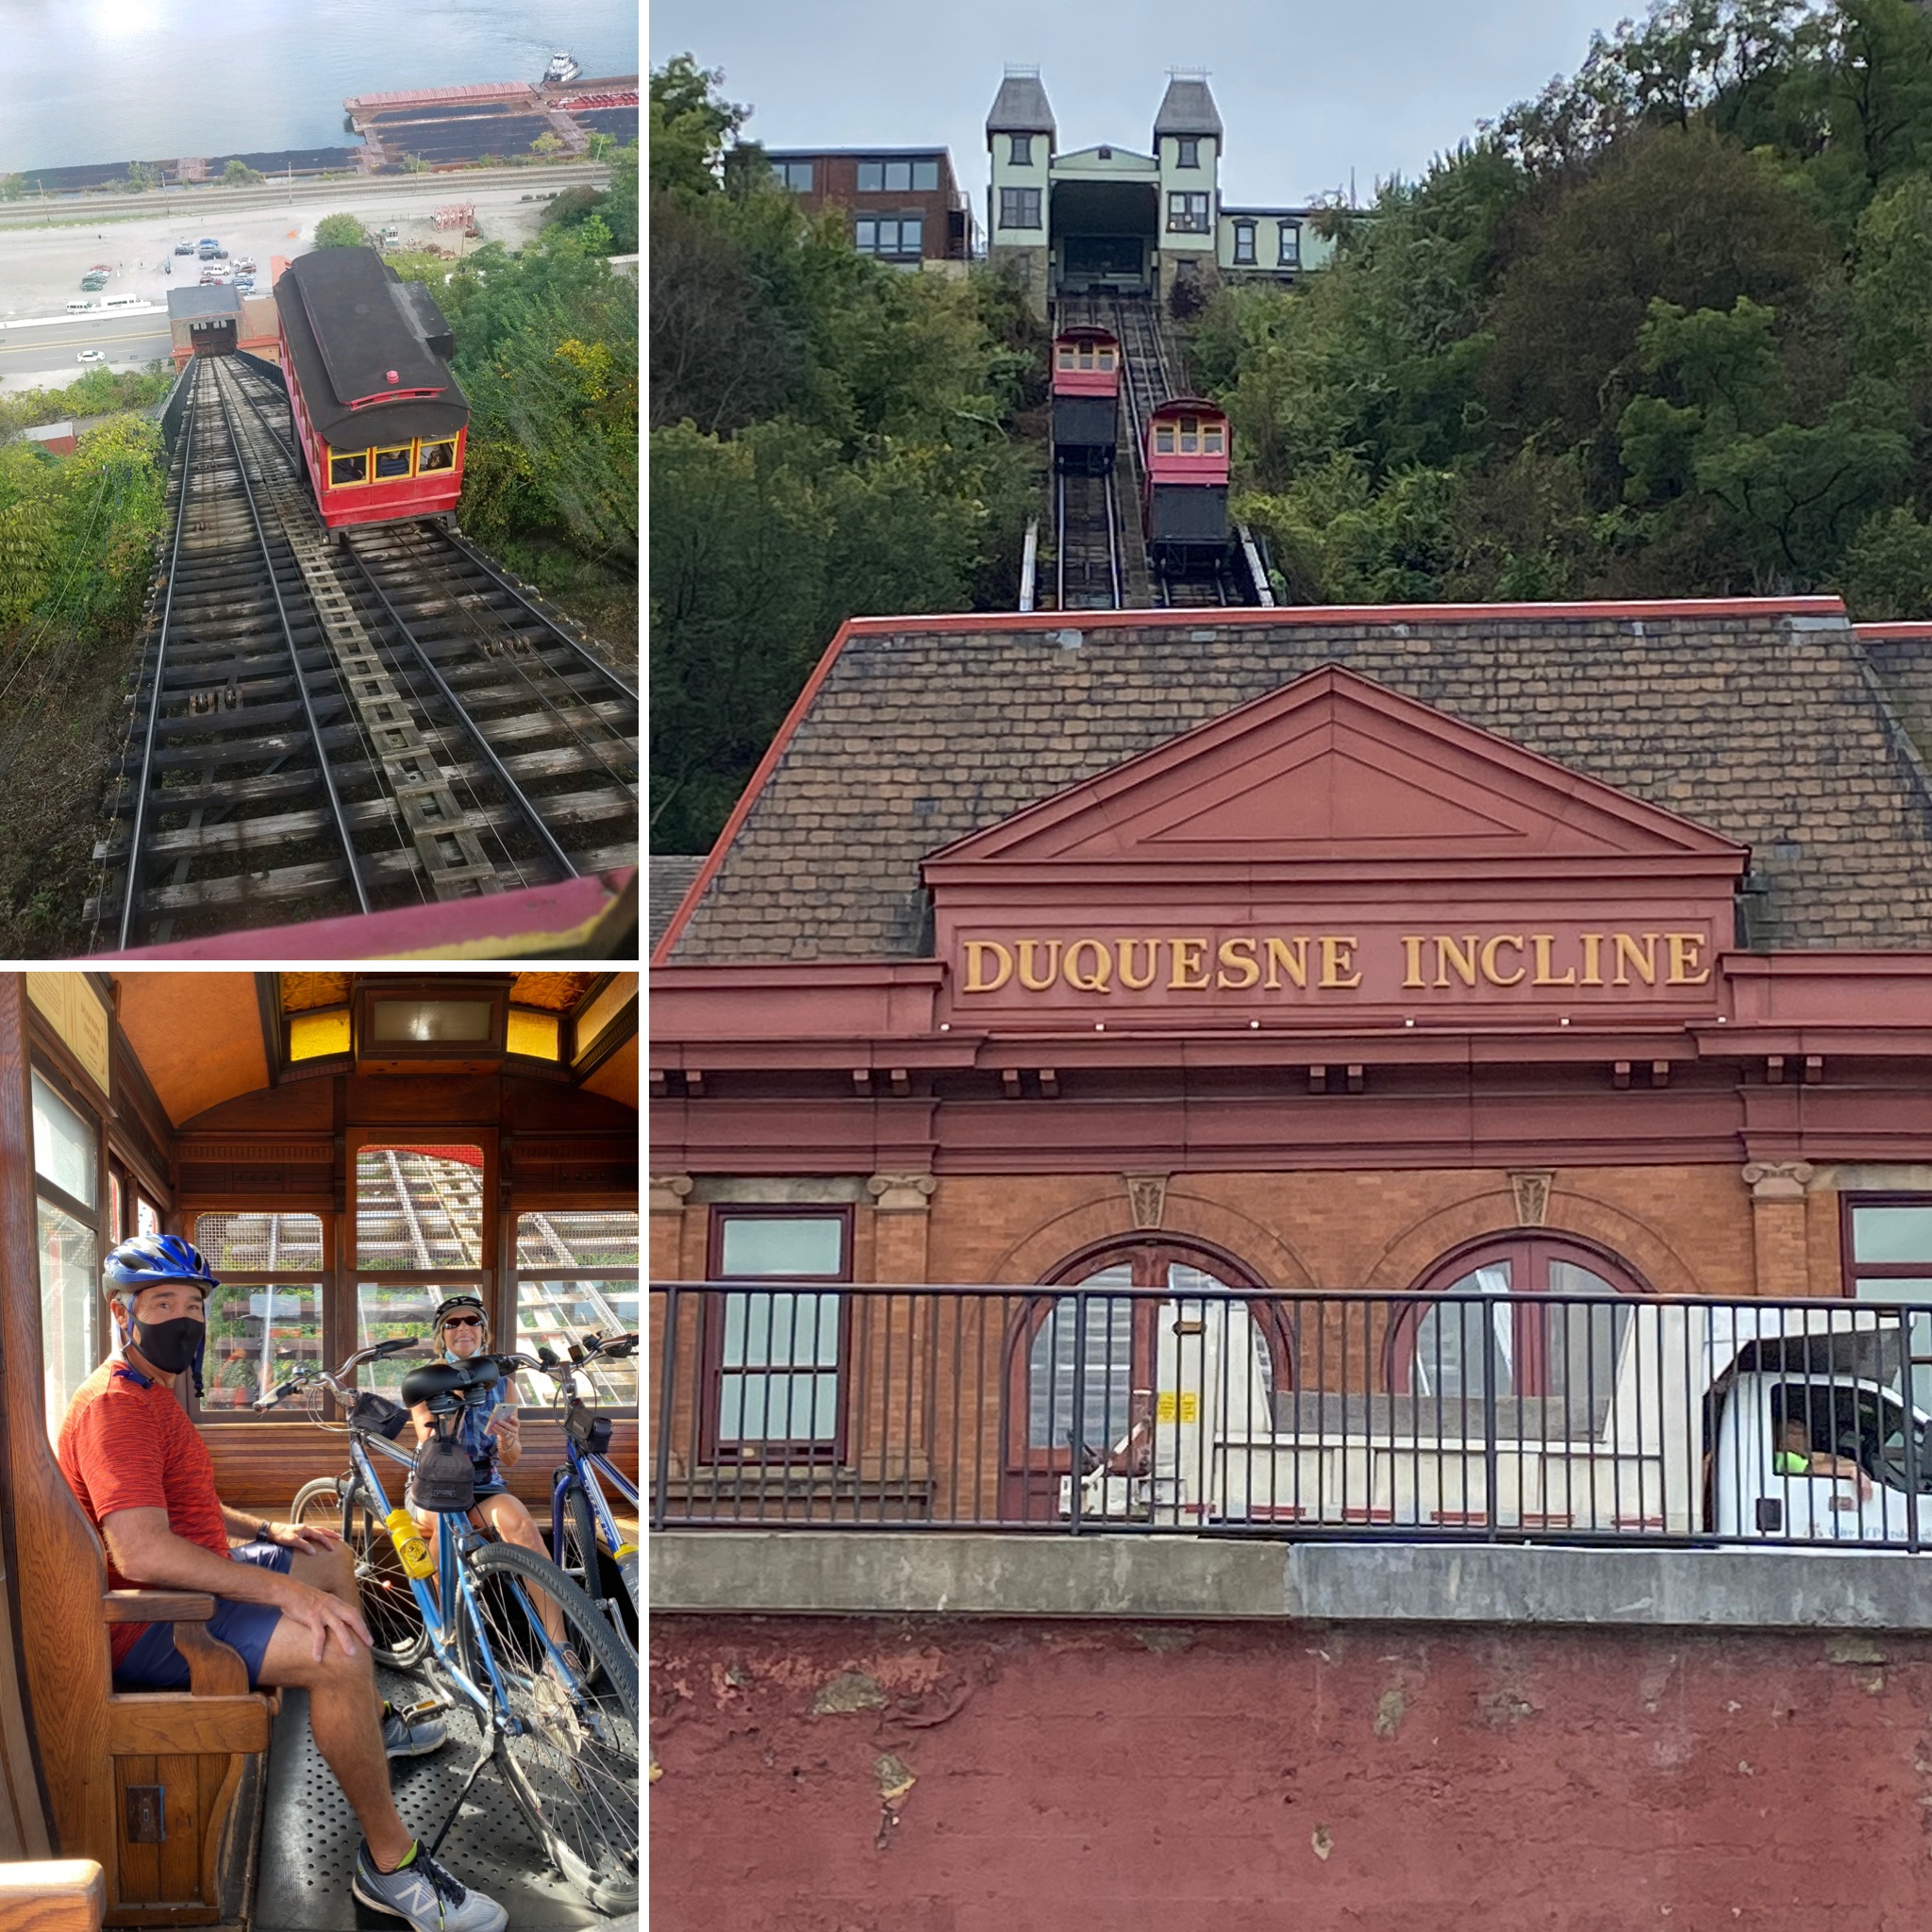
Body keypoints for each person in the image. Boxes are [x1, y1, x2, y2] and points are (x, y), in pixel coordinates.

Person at [57, 1235, 507, 1932]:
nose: (184, 1319)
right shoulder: (114, 1407)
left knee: (328, 1557)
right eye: (163, 1303)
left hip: (200, 1589)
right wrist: (279, 1591)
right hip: (154, 1620)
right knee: (341, 1653)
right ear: (124, 1312)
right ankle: (390, 1866)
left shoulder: (150, 1390)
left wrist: (268, 1535)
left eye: (194, 1305)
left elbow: (187, 1508)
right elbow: (141, 1552)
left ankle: (375, 1725)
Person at [406, 1293, 572, 1662]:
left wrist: (508, 1439)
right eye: (453, 1323)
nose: (463, 1328)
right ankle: (448, 1635)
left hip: (483, 1484)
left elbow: (510, 1460)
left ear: (484, 1331)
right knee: (449, 1531)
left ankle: (560, 1651)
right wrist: (460, 1399)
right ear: (441, 1335)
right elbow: (431, 1446)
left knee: (523, 1526)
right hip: (436, 1485)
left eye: (472, 1321)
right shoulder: (424, 1383)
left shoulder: (503, 1383)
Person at [1774, 1416, 1873, 1500]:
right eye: (1794, 1433)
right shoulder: (1786, 1458)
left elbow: (1825, 1458)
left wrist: (1852, 1464)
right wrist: (1852, 1470)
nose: (1802, 1439)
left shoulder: (1799, 1456)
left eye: (1804, 1433)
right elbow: (1813, 1468)